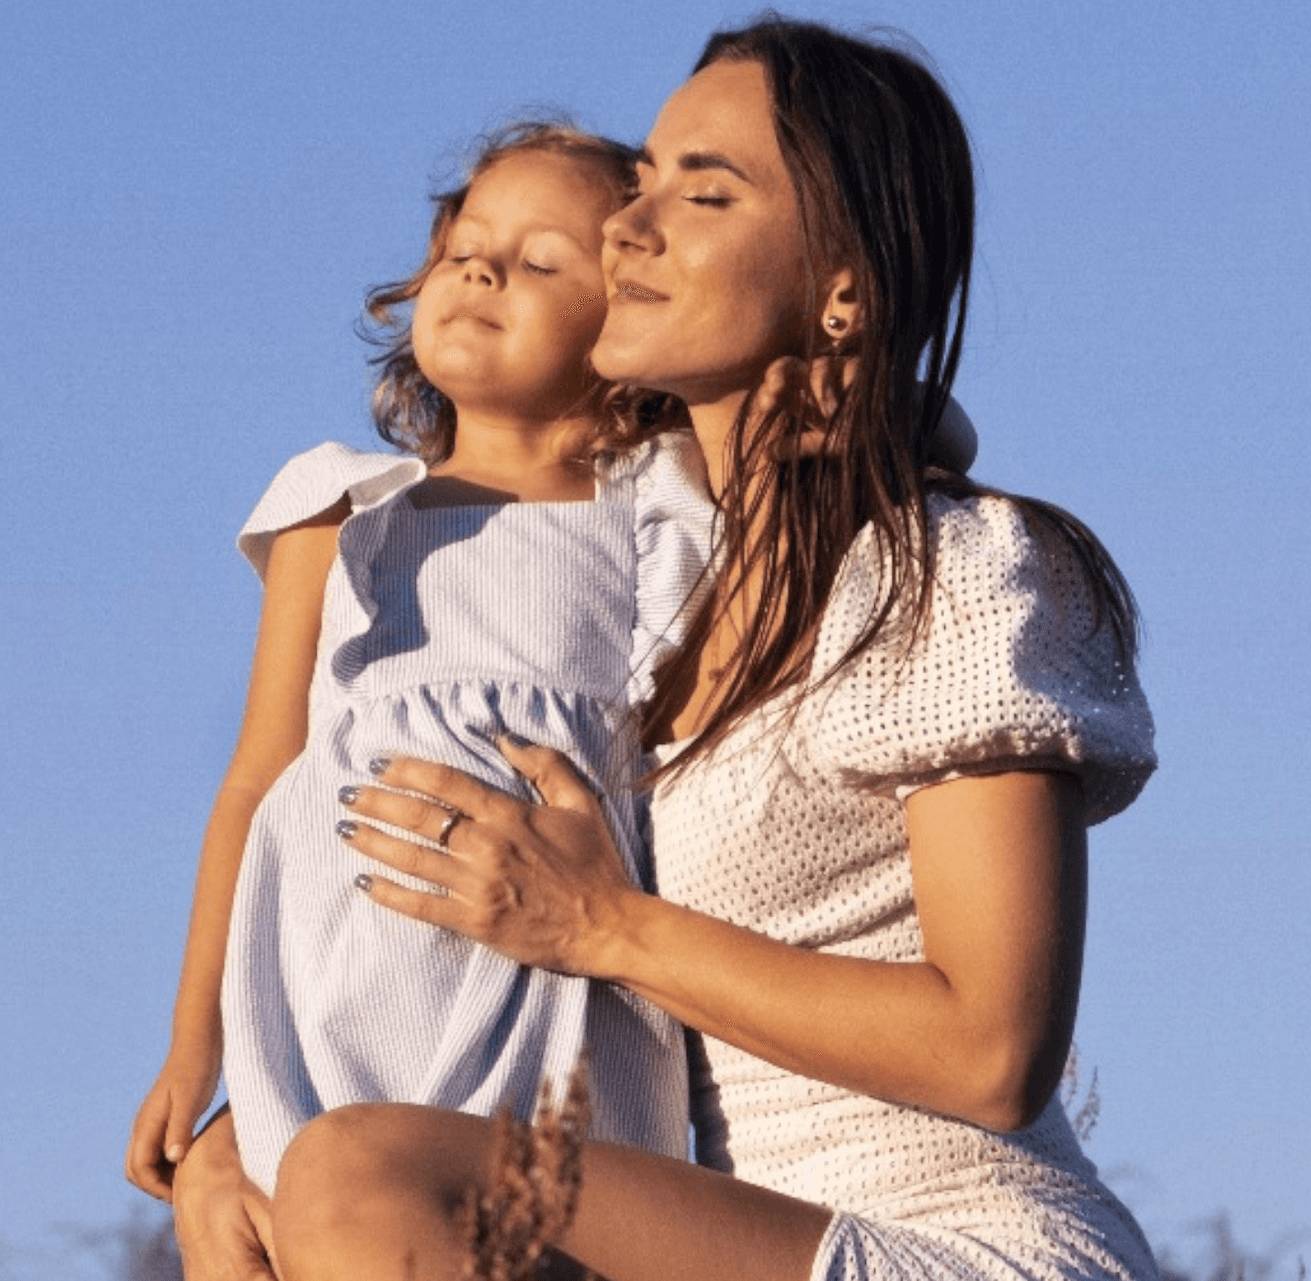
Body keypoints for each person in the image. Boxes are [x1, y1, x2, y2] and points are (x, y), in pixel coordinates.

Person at [179, 15, 1157, 1281]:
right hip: (691, 1233)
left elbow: (993, 1052)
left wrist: (608, 926)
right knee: (336, 1172)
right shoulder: (655, 580)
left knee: (364, 1172)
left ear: (843, 287)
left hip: (952, 1243)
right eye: (639, 186)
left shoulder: (950, 570)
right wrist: (241, 1125)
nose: (628, 227)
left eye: (706, 191)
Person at [123, 122, 712, 1212]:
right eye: (464, 250)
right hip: (344, 994)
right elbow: (257, 779)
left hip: (562, 999)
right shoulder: (341, 510)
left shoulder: (666, 508)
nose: (485, 269)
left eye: (542, 261)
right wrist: (193, 1041)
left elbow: (902, 429)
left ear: (633, 316)